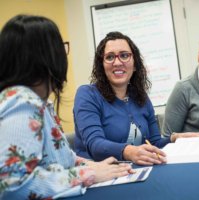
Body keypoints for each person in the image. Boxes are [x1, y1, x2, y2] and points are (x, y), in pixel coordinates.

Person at [0, 15, 133, 199]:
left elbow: (60, 157)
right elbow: (11, 185)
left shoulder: (37, 102)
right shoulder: (23, 104)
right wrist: (90, 175)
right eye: (60, 48)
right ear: (43, 57)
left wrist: (92, 166)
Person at [73, 32, 199, 166]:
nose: (117, 62)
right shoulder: (87, 94)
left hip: (134, 172)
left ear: (135, 64)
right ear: (102, 65)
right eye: (110, 57)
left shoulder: (141, 97)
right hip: (98, 176)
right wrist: (128, 151)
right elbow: (95, 144)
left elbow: (154, 143)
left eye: (124, 55)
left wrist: (174, 139)